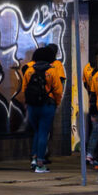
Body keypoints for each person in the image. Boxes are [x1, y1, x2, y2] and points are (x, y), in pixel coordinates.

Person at [22, 45, 64, 173]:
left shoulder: (29, 71)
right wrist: (56, 103)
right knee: (43, 133)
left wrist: (28, 103)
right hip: (47, 105)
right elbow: (58, 90)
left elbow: (24, 89)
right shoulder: (51, 71)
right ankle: (40, 164)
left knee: (36, 131)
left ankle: (34, 159)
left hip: (32, 106)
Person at [83, 42, 98, 166]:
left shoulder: (87, 67)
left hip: (93, 103)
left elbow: (86, 85)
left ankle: (89, 155)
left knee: (95, 130)